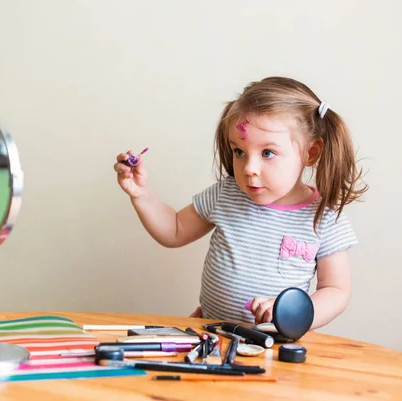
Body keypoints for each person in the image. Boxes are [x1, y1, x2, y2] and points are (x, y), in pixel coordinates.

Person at [112, 76, 367, 330]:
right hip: (211, 336)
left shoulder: (322, 217)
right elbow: (175, 230)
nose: (249, 169)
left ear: (310, 153)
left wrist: (290, 314)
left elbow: (335, 290)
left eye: (268, 153)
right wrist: (142, 194)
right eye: (239, 152)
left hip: (273, 347)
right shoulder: (227, 194)